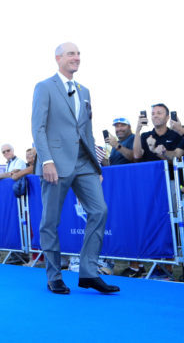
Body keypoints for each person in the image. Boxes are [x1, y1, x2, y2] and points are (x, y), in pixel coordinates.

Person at [31, 42, 119, 294]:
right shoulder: (45, 87)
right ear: (58, 58)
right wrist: (46, 160)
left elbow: (87, 130)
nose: (76, 57)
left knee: (99, 210)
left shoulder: (85, 91)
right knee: (50, 221)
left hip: (85, 163)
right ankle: (54, 276)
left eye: (78, 54)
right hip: (55, 164)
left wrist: (97, 166)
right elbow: (38, 127)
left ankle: (89, 272)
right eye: (71, 54)